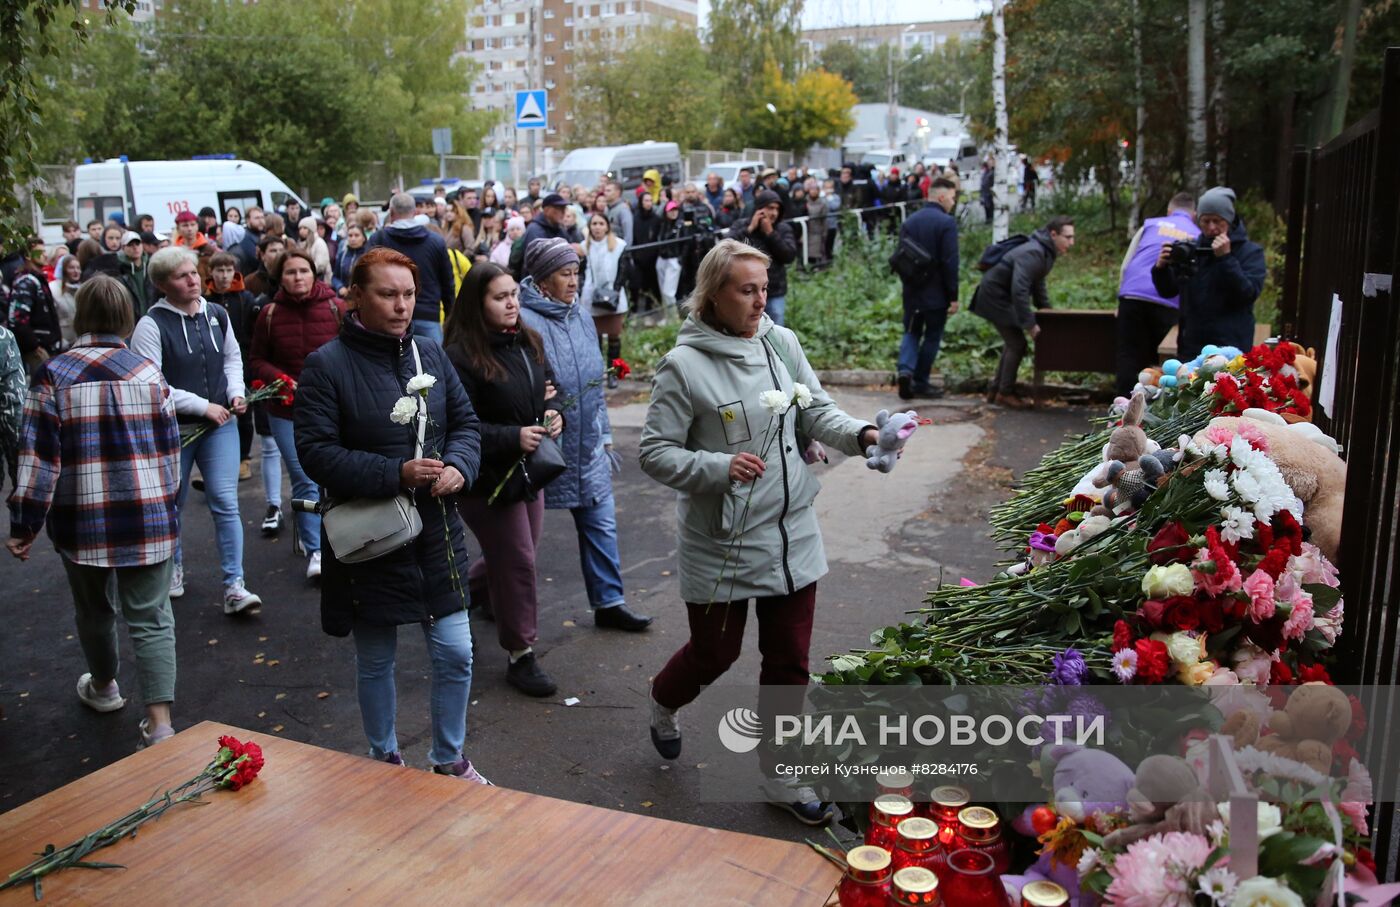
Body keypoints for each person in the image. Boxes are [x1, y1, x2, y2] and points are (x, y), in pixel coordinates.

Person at [638, 239, 887, 825]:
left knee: (789, 661)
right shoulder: (685, 365)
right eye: (745, 289)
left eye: (764, 287)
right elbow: (654, 452)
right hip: (721, 540)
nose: (759, 300)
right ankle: (663, 701)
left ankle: (781, 774)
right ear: (714, 295)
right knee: (714, 653)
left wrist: (867, 435)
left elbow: (816, 412)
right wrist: (717, 468)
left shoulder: (781, 343)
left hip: (791, 529)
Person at [295, 246, 488, 781]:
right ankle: (384, 758)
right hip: (372, 536)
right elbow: (315, 451)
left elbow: (467, 424)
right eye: (388, 294)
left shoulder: (431, 352)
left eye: (409, 294)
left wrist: (459, 467)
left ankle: (448, 759)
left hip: (436, 529)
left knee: (456, 652)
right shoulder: (326, 365)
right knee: (377, 659)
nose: (402, 305)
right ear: (355, 296)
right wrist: (395, 473)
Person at [6, 276, 182, 748]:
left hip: (83, 521)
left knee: (94, 610)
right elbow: (170, 455)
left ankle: (104, 687)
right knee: (152, 616)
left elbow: (38, 460)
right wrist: (167, 504)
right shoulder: (148, 373)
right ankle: (161, 723)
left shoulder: (53, 376)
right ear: (127, 316)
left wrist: (24, 524)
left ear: (80, 315)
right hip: (147, 515)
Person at [518, 238, 652, 632]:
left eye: (576, 272)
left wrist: (605, 434)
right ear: (543, 279)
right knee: (520, 541)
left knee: (600, 523)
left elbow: (594, 384)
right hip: (544, 445)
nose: (574, 281)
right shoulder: (524, 321)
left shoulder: (579, 316)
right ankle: (485, 590)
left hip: (587, 443)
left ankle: (609, 602)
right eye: (565, 274)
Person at [443, 262, 562, 696]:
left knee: (516, 554)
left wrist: (554, 413)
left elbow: (551, 388)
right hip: (485, 477)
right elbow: (460, 424)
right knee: (517, 561)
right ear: (478, 304)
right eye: (500, 297)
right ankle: (521, 654)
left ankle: (457, 595)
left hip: (529, 469)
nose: (512, 303)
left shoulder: (527, 340)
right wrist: (512, 436)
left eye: (514, 293)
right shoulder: (459, 357)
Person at [129, 246, 262, 614]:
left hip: (221, 426)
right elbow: (152, 384)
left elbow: (232, 358)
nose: (192, 280)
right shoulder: (151, 324)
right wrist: (203, 406)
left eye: (192, 272)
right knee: (172, 504)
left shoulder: (216, 313)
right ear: (161, 284)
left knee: (224, 501)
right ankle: (173, 568)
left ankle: (235, 585)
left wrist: (236, 392)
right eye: (180, 276)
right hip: (174, 429)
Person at [248, 248, 343, 581]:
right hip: (286, 410)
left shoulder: (336, 308)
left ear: (314, 274)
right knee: (304, 477)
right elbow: (256, 359)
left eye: (304, 271)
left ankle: (345, 542)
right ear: (280, 278)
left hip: (334, 408)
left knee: (337, 476)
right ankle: (315, 549)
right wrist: (281, 380)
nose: (298, 277)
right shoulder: (269, 313)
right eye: (290, 272)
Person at [970, 215, 1076, 409]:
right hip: (995, 298)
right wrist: (1030, 324)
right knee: (1017, 343)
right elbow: (1019, 289)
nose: (1072, 242)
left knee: (1014, 343)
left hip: (1001, 297)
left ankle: (997, 390)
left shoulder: (1044, 251)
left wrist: (1048, 313)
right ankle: (1004, 393)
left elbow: (1038, 285)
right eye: (1067, 237)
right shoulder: (1035, 252)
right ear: (1053, 234)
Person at [1150, 186, 1266, 360]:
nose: (1212, 228)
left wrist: (1225, 259)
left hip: (1231, 347)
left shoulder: (1250, 252)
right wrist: (1161, 268)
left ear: (1230, 219)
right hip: (1192, 347)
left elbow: (1247, 294)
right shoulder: (1192, 250)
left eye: (1217, 221)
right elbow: (1168, 290)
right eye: (1205, 221)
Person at [1113, 192, 1200, 394]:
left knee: (1129, 356)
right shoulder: (1196, 235)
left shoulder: (1150, 225)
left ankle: (1122, 408)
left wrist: (1121, 297)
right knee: (1164, 362)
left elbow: (1127, 264)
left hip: (1132, 295)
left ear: (1169, 211)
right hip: (1167, 301)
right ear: (1193, 215)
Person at [895, 178, 960, 400]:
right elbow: (950, 261)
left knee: (911, 332)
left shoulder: (910, 222)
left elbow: (900, 257)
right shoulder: (946, 222)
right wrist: (953, 295)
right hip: (936, 295)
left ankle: (905, 371)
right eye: (952, 197)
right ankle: (921, 381)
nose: (953, 202)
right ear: (941, 197)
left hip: (912, 292)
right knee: (932, 336)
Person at [365, 193, 455, 342]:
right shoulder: (436, 242)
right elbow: (448, 284)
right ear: (415, 213)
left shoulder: (379, 240)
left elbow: (366, 278)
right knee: (431, 363)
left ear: (392, 213)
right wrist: (449, 317)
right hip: (428, 316)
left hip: (389, 315)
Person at [204, 252, 258, 483]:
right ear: (211, 273)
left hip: (242, 363)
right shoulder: (204, 301)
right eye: (220, 271)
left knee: (243, 411)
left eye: (229, 271)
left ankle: (243, 458)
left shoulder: (245, 298)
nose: (225, 276)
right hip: (214, 365)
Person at [726, 189, 797, 326]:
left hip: (775, 289)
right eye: (770, 208)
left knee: (775, 326)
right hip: (747, 290)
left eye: (777, 209)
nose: (774, 213)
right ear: (759, 208)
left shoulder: (783, 229)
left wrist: (770, 233)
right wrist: (749, 230)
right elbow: (726, 247)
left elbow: (788, 255)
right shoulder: (742, 225)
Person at [580, 213, 628, 387]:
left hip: (614, 297)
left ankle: (614, 373)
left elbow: (624, 270)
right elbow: (580, 272)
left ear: (607, 226)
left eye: (601, 223)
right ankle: (598, 373)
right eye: (594, 224)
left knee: (614, 336)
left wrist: (613, 292)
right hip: (591, 298)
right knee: (596, 338)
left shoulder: (619, 245)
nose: (597, 227)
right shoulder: (584, 247)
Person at [7, 238, 64, 372]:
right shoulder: (26, 281)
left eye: (45, 251)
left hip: (48, 348)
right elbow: (17, 319)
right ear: (28, 255)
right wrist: (35, 347)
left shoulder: (37, 279)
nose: (45, 255)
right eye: (40, 252)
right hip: (37, 352)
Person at [509, 193, 580, 278]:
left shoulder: (560, 229)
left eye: (564, 209)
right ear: (547, 210)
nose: (563, 213)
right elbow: (540, 262)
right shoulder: (535, 230)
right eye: (559, 209)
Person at [48, 253, 81, 347]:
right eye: (71, 267)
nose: (76, 271)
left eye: (78, 268)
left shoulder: (82, 289)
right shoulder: (53, 288)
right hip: (62, 343)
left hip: (79, 342)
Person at [333, 223, 370, 298]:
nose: (353, 239)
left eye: (357, 235)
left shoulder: (369, 256)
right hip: (344, 297)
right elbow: (335, 277)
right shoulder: (342, 255)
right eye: (350, 236)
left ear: (363, 238)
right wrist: (340, 287)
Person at [297, 216, 332, 283]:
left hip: (319, 277)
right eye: (300, 228)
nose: (302, 231)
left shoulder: (319, 243)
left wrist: (307, 271)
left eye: (305, 228)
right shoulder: (299, 243)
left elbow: (321, 264)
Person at [603, 180, 634, 245]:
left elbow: (628, 235)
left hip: (619, 250)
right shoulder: (606, 208)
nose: (605, 193)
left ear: (617, 192)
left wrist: (625, 252)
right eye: (605, 190)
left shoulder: (623, 210)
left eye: (608, 191)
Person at [979, 158, 995, 224]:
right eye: (988, 162)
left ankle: (990, 220)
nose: (989, 164)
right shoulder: (986, 171)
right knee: (986, 207)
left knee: (990, 207)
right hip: (984, 192)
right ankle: (988, 220)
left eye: (991, 162)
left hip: (990, 193)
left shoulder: (993, 172)